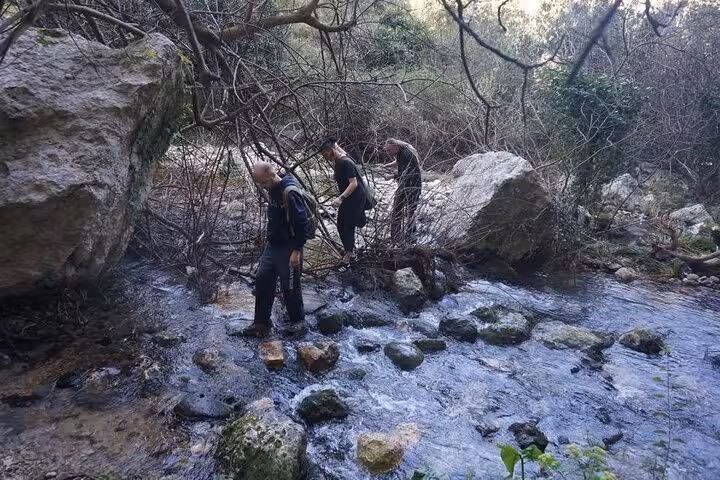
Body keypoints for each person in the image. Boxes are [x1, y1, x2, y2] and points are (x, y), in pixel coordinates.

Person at [239, 162, 308, 337]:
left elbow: (302, 223)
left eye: (263, 182)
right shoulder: (273, 185)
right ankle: (261, 323)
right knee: (262, 280)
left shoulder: (290, 192)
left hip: (289, 247)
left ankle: (298, 323)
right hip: (273, 246)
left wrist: (296, 251)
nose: (262, 187)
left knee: (290, 287)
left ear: (271, 176)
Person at [319, 138, 368, 270]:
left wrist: (340, 198)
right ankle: (350, 254)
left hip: (355, 198)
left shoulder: (345, 163)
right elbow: (340, 150)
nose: (325, 158)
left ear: (331, 151)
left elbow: (353, 183)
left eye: (325, 154)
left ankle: (348, 258)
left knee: (344, 225)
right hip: (354, 197)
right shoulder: (342, 158)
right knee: (345, 224)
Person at [382, 138, 422, 244]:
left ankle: (405, 236)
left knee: (405, 210)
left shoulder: (406, 154)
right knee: (404, 210)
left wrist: (391, 176)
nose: (388, 153)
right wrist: (389, 165)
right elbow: (398, 162)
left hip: (412, 185)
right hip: (406, 184)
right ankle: (400, 236)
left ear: (395, 146)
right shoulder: (401, 152)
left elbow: (405, 174)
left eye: (389, 150)